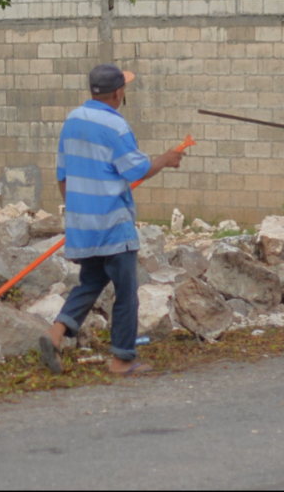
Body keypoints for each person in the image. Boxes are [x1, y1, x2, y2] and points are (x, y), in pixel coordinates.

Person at [40, 64, 186, 376]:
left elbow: (62, 175)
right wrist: (165, 159)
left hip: (83, 225)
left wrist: (79, 213)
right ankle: (122, 359)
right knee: (125, 291)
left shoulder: (72, 120)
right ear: (118, 93)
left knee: (91, 282)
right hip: (113, 224)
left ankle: (55, 334)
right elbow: (136, 170)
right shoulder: (115, 126)